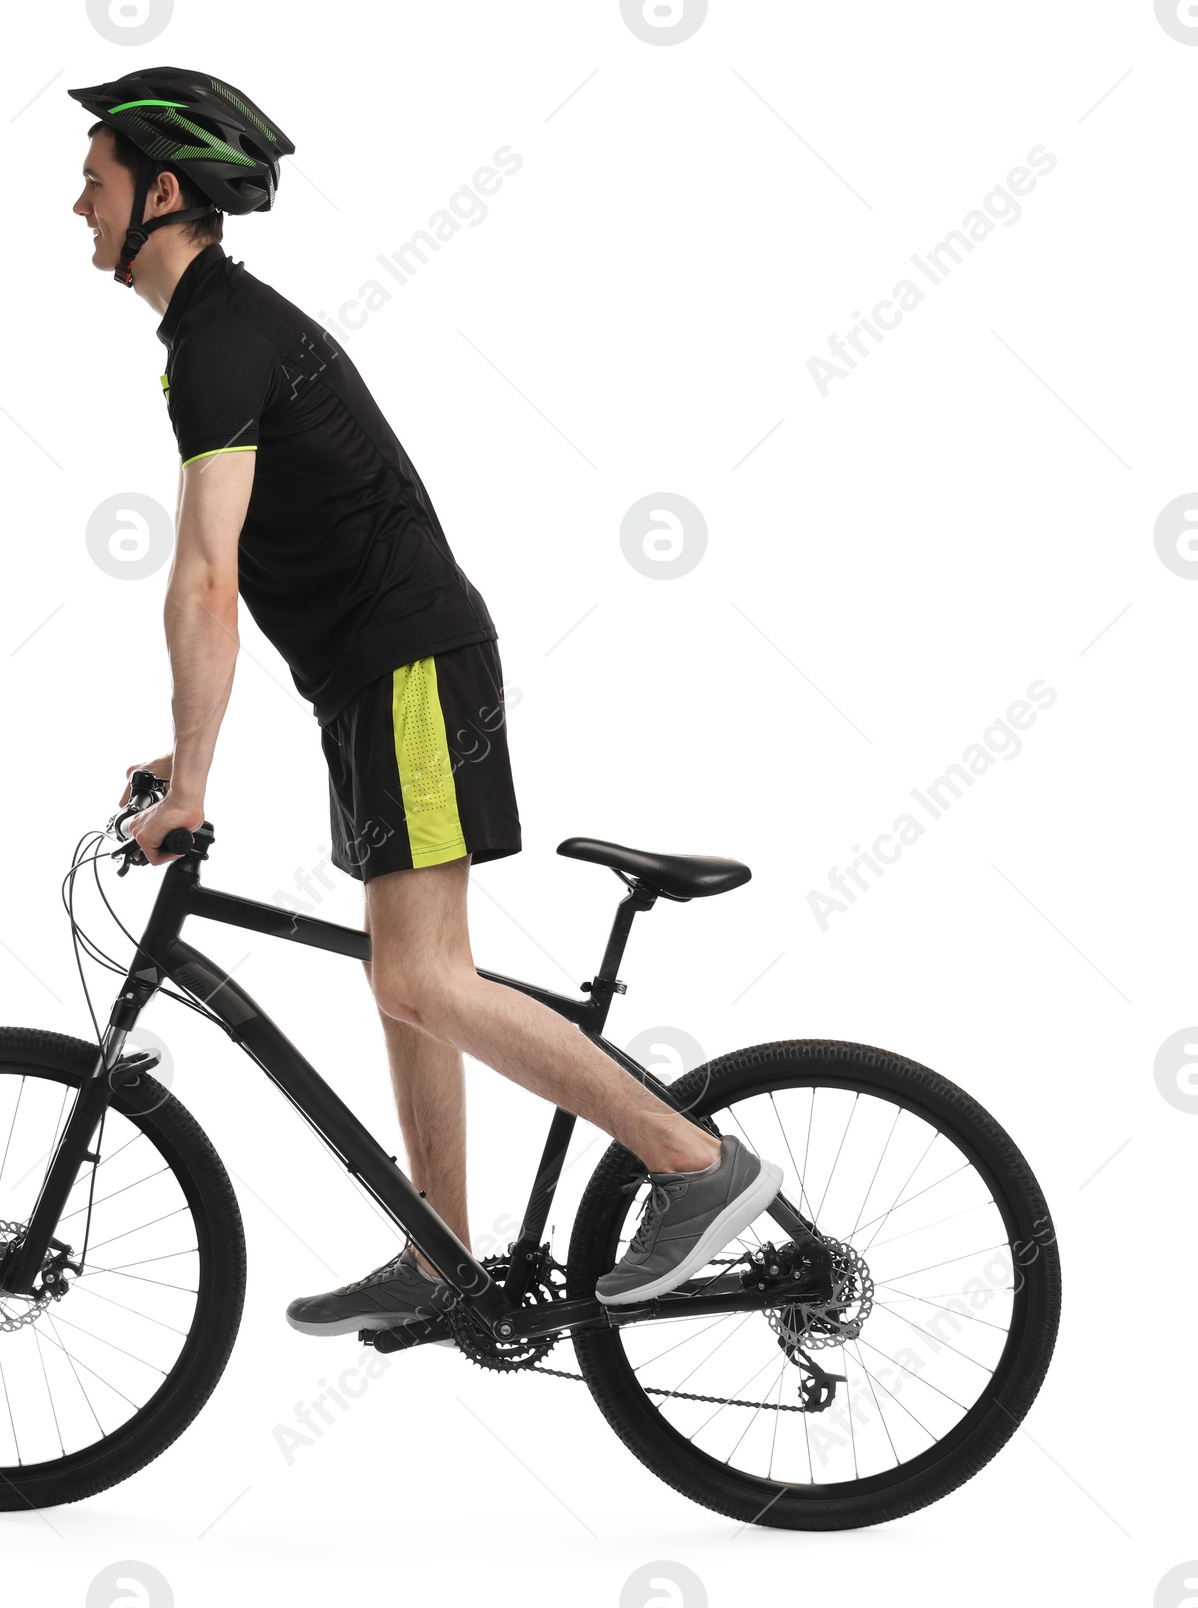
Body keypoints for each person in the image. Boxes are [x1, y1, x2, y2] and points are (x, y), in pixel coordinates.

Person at [66, 68, 781, 1336]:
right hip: (370, 682)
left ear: (160, 194)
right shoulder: (214, 337)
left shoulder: (222, 339)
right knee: (405, 978)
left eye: (97, 181)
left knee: (421, 976)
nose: (76, 204)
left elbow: (204, 574)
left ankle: (694, 1165)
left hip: (408, 668)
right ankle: (441, 1248)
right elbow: (215, 576)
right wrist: (182, 763)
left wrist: (191, 780)